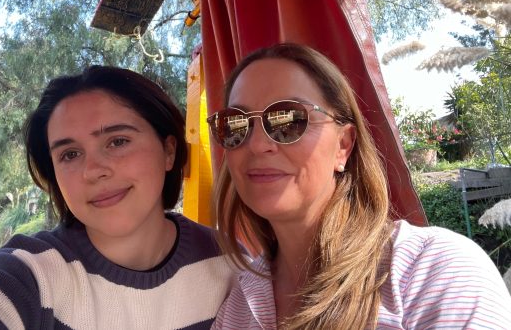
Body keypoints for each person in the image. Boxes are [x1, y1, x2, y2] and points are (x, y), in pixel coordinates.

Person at [208, 43, 511, 329]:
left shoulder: (435, 272)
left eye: (289, 120)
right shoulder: (238, 304)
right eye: (235, 124)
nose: (258, 144)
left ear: (343, 145)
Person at [0, 65, 235, 329]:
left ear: (168, 150)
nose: (93, 170)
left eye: (118, 141)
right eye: (70, 154)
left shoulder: (234, 266)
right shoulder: (33, 276)